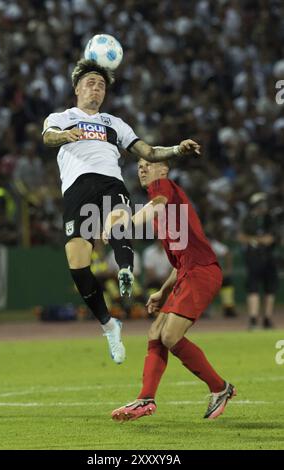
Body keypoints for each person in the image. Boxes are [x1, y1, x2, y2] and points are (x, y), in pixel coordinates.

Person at [42, 59, 200, 364]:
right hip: (77, 189)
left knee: (118, 219)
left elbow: (150, 152)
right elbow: (48, 137)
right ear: (76, 88)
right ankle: (109, 325)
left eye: (101, 85)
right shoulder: (62, 117)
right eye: (90, 82)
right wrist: (65, 135)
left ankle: (125, 267)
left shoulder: (115, 123)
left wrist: (178, 150)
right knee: (78, 264)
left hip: (110, 181)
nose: (96, 88)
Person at [110, 160, 236, 420]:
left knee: (169, 336)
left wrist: (125, 224)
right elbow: (179, 264)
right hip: (188, 273)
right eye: (139, 165)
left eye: (149, 164)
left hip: (201, 272)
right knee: (156, 332)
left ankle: (219, 387)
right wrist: (163, 292)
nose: (142, 169)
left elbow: (156, 203)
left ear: (164, 170)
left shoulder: (163, 187)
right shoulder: (162, 216)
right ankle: (145, 400)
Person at [238, 193, 278, 330]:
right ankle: (253, 319)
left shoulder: (270, 218)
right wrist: (258, 240)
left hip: (268, 257)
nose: (263, 206)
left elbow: (272, 238)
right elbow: (241, 237)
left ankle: (267, 319)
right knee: (253, 287)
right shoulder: (248, 219)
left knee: (270, 289)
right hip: (253, 257)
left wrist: (254, 240)